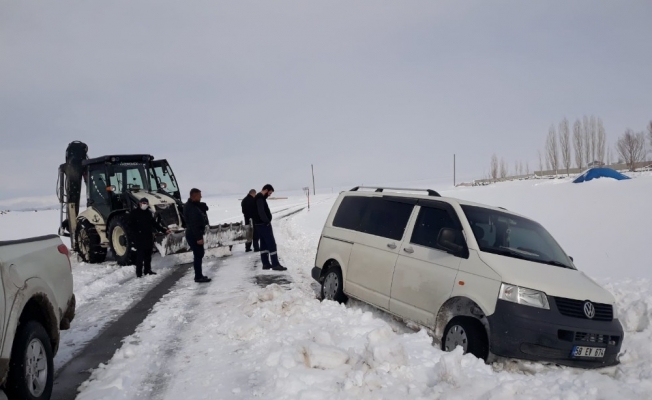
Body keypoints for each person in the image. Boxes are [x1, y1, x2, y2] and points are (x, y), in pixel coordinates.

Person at [129, 198, 170, 278]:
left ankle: (147, 270)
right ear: (139, 203)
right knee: (140, 256)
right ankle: (139, 273)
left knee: (148, 255)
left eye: (146, 203)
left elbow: (154, 224)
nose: (145, 205)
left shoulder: (148, 213)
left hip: (148, 236)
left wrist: (164, 230)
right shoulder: (134, 213)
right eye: (143, 203)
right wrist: (135, 235)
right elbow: (131, 226)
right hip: (139, 237)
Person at [253, 184, 287, 271]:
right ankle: (275, 264)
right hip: (263, 225)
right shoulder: (260, 198)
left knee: (264, 244)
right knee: (271, 244)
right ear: (266, 190)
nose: (269, 195)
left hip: (259, 225)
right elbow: (261, 211)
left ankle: (266, 264)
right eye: (269, 193)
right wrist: (266, 221)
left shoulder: (258, 198)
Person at [184, 188, 212, 283]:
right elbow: (194, 225)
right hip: (193, 235)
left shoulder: (192, 205)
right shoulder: (191, 208)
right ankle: (198, 276)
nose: (201, 197)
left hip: (194, 234)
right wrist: (199, 238)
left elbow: (202, 207)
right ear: (194, 196)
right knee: (198, 255)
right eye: (199, 196)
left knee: (199, 254)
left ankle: (199, 275)